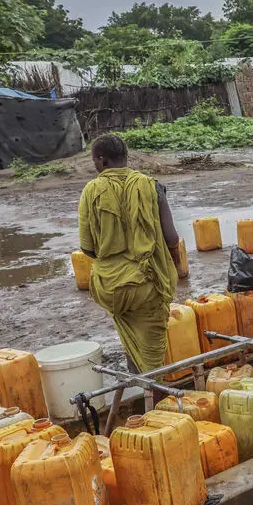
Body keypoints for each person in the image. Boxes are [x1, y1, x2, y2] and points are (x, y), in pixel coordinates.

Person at [78, 134, 181, 374]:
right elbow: (171, 238)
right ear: (126, 157)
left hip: (112, 287)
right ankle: (154, 393)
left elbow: (87, 248)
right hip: (149, 283)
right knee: (152, 353)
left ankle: (137, 380)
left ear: (102, 160)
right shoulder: (152, 186)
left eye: (94, 161)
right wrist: (172, 263)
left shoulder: (91, 191)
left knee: (130, 337)